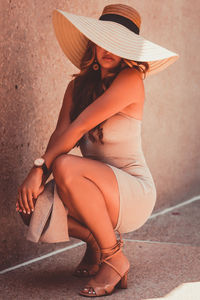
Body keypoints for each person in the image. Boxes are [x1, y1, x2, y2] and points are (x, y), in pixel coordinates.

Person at [16, 3, 179, 297]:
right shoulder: (77, 86)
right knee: (33, 205)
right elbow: (60, 135)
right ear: (93, 41)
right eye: (104, 39)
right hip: (95, 187)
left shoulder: (130, 80)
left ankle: (113, 257)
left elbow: (77, 128)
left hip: (132, 192)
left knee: (64, 165)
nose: (109, 49)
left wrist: (38, 169)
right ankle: (94, 240)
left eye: (119, 44)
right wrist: (36, 179)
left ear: (128, 51)